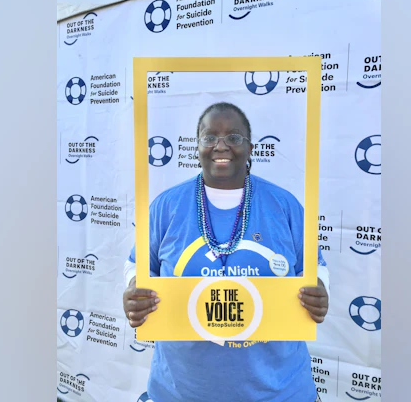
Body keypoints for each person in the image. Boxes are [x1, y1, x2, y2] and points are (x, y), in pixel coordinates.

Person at [122, 102, 330, 402]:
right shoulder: (166, 206)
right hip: (182, 392)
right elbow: (137, 265)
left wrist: (319, 290)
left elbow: (315, 268)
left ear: (250, 148)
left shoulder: (284, 205)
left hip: (278, 391)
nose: (221, 146)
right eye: (209, 137)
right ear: (198, 146)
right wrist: (133, 289)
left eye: (234, 137)